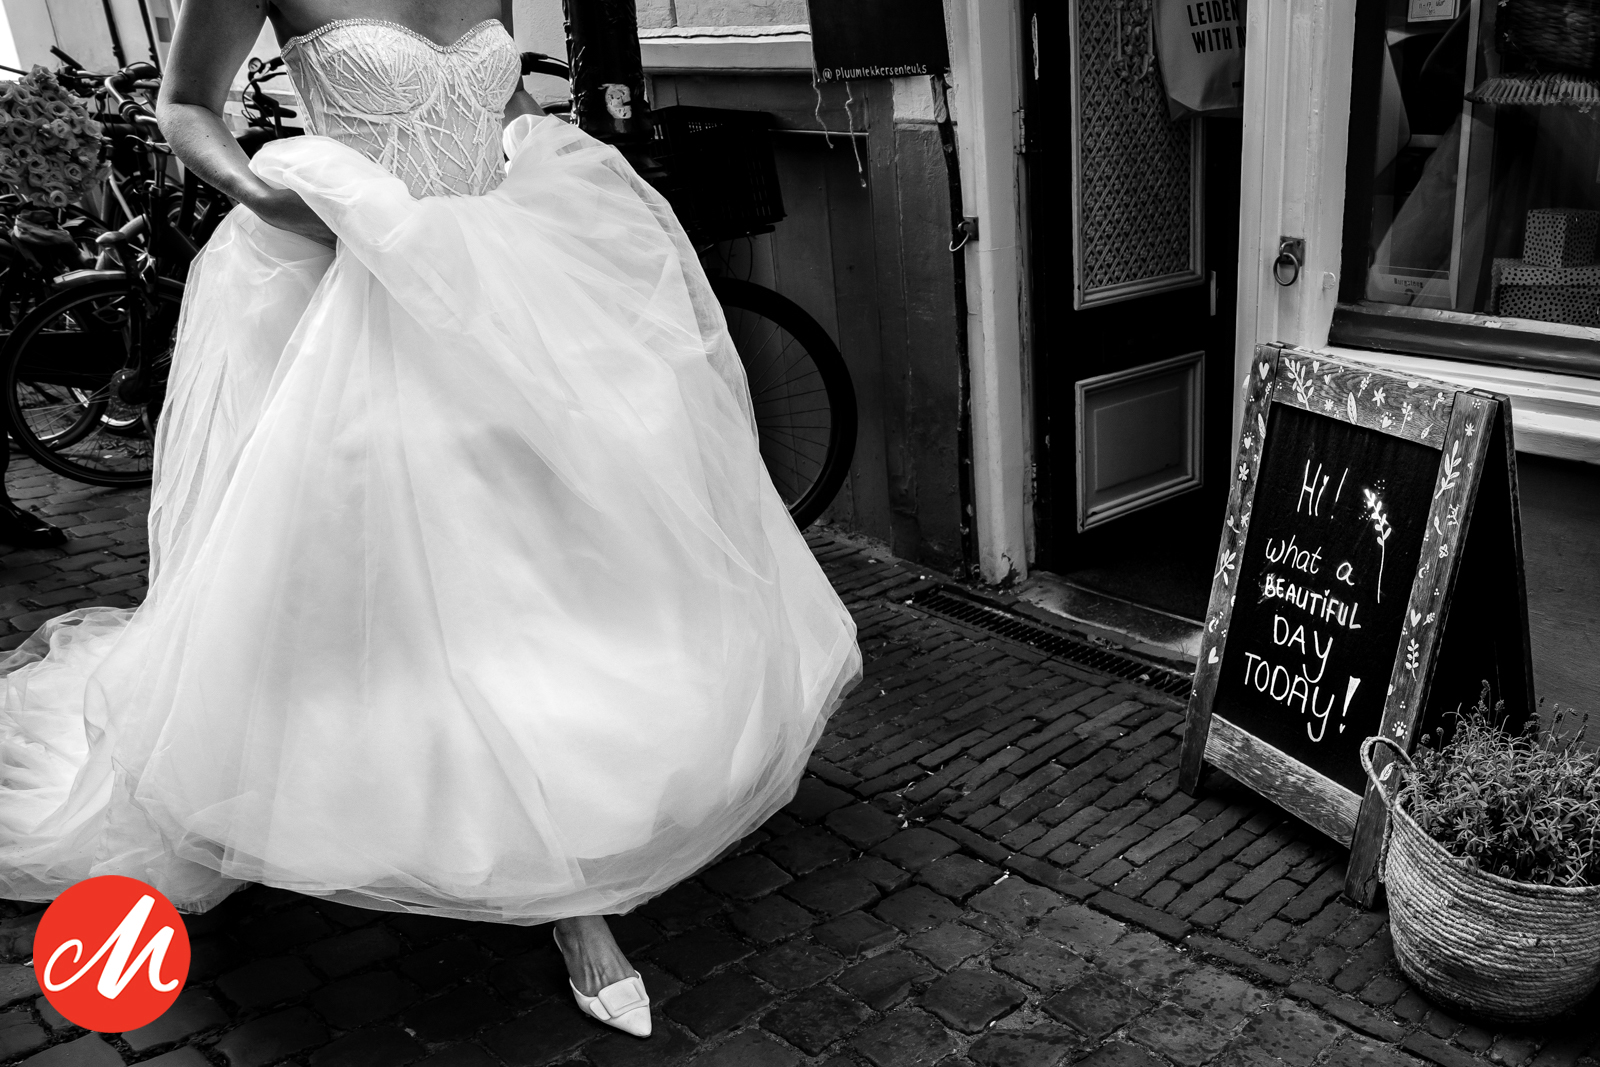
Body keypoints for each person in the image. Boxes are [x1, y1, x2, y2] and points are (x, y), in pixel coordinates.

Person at [0, 0, 861, 1039]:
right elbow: (186, 106)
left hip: (499, 280)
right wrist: (265, 195)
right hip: (356, 293)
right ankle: (565, 896)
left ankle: (575, 826)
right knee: (427, 578)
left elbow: (502, 93)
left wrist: (537, 170)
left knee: (565, 559)